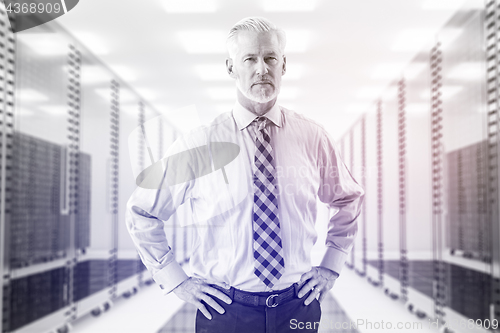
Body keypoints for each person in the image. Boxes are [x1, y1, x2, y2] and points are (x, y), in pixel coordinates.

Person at [126, 16, 364, 333]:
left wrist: (330, 267)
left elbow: (348, 198)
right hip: (225, 311)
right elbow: (142, 211)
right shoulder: (200, 144)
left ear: (283, 66)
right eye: (249, 59)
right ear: (231, 68)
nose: (261, 69)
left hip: (298, 308)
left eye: (270, 58)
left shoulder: (312, 137)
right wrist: (176, 281)